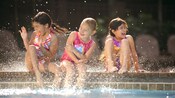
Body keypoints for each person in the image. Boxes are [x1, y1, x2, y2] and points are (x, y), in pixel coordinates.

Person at [19, 11, 67, 87]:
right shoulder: (35, 34)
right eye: (34, 27)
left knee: (59, 70)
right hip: (31, 63)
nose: (35, 29)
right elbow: (29, 50)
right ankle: (38, 75)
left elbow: (51, 56)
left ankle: (54, 91)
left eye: (37, 26)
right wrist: (25, 39)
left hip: (42, 63)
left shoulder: (53, 38)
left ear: (46, 25)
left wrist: (42, 49)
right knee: (32, 47)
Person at [58, 17, 97, 89]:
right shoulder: (74, 35)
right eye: (80, 28)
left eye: (85, 30)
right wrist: (76, 60)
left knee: (83, 70)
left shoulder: (92, 44)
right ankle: (67, 89)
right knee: (70, 70)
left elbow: (85, 58)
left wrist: (74, 50)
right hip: (67, 60)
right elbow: (67, 49)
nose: (81, 31)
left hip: (79, 62)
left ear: (92, 32)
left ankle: (79, 88)